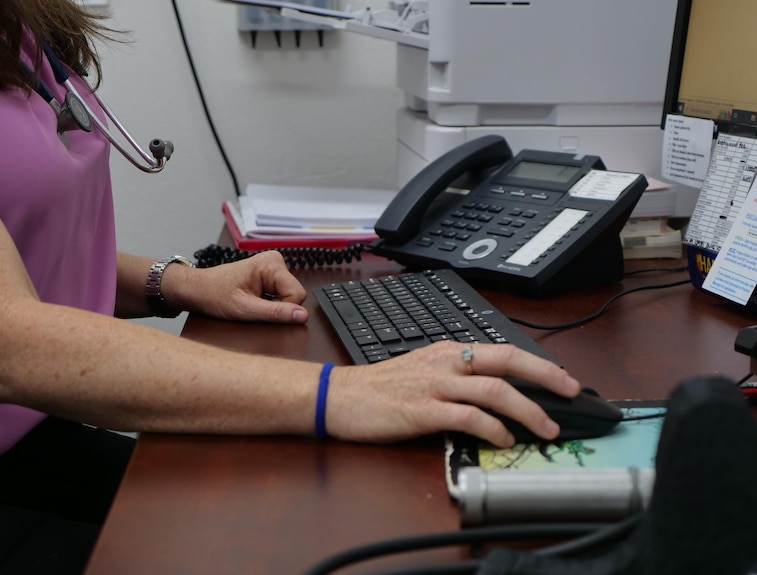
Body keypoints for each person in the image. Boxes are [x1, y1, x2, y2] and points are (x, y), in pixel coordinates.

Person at [0, 1, 581, 573]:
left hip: (36, 436)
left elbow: (29, 252)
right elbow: (12, 341)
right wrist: (340, 393)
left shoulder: (25, 26)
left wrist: (176, 283)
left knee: (318, 510)